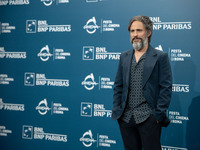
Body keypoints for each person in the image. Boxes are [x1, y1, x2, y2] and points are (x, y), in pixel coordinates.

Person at [112, 15, 172, 150]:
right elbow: (118, 86)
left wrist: (157, 115)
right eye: (132, 31)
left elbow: (166, 88)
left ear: (148, 32)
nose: (135, 35)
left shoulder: (160, 57)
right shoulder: (124, 57)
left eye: (139, 30)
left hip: (149, 118)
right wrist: (117, 110)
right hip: (126, 118)